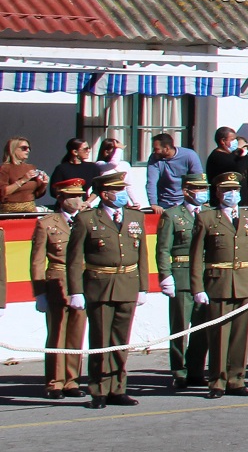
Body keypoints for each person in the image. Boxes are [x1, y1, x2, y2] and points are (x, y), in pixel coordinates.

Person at [66, 171, 148, 407]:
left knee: (121, 341)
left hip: (127, 283)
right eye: (118, 190)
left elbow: (141, 254)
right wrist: (76, 291)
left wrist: (143, 286)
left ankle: (118, 388)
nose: (123, 194)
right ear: (104, 194)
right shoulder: (87, 219)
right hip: (99, 285)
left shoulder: (135, 217)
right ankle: (99, 390)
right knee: (101, 340)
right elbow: (75, 259)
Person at [189, 172, 248, 397]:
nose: (232, 194)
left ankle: (237, 379)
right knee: (219, 336)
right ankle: (218, 381)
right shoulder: (207, 218)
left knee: (241, 334)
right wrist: (198, 288)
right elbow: (196, 256)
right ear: (218, 194)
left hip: (244, 281)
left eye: (236, 190)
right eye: (227, 191)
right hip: (218, 283)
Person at [32, 177, 87, 399]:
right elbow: (37, 261)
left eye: (80, 196)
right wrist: (40, 292)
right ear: (61, 198)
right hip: (58, 279)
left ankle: (72, 380)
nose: (78, 200)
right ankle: (55, 382)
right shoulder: (47, 223)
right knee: (58, 333)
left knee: (76, 333)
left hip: (81, 281)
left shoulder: (86, 221)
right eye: (73, 196)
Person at [155, 173, 209, 390]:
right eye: (198, 188)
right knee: (180, 327)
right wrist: (165, 275)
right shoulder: (172, 215)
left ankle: (196, 370)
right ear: (187, 191)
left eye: (204, 188)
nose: (202, 192)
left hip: (205, 276)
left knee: (202, 327)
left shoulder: (210, 213)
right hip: (182, 275)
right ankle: (179, 371)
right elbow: (163, 248)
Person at [204, 126, 248, 205]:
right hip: (223, 203)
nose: (235, 142)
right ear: (223, 141)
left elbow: (246, 164)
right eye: (232, 139)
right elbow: (237, 169)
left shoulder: (231, 154)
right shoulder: (218, 157)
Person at [145, 132, 203, 210]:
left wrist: (200, 200)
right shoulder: (154, 159)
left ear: (167, 148)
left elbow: (198, 180)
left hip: (186, 201)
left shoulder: (190, 156)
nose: (154, 152)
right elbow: (151, 182)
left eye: (156, 149)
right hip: (165, 203)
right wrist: (154, 204)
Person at [1, 136, 48, 213]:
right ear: (13, 150)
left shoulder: (30, 167)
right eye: (24, 148)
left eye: (29, 148)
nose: (28, 150)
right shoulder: (5, 168)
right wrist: (23, 180)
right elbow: (3, 192)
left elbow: (37, 194)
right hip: (10, 212)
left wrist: (44, 184)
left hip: (30, 211)